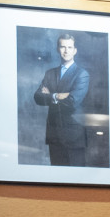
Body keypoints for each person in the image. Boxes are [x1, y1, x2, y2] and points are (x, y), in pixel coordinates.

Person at [32, 33, 89, 166]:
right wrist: (57, 96)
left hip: (74, 137)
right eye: (63, 47)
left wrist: (50, 95)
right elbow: (37, 97)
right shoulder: (50, 73)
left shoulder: (82, 74)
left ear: (75, 50)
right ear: (58, 49)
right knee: (56, 180)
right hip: (54, 135)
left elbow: (73, 102)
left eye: (69, 47)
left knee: (75, 180)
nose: (66, 51)